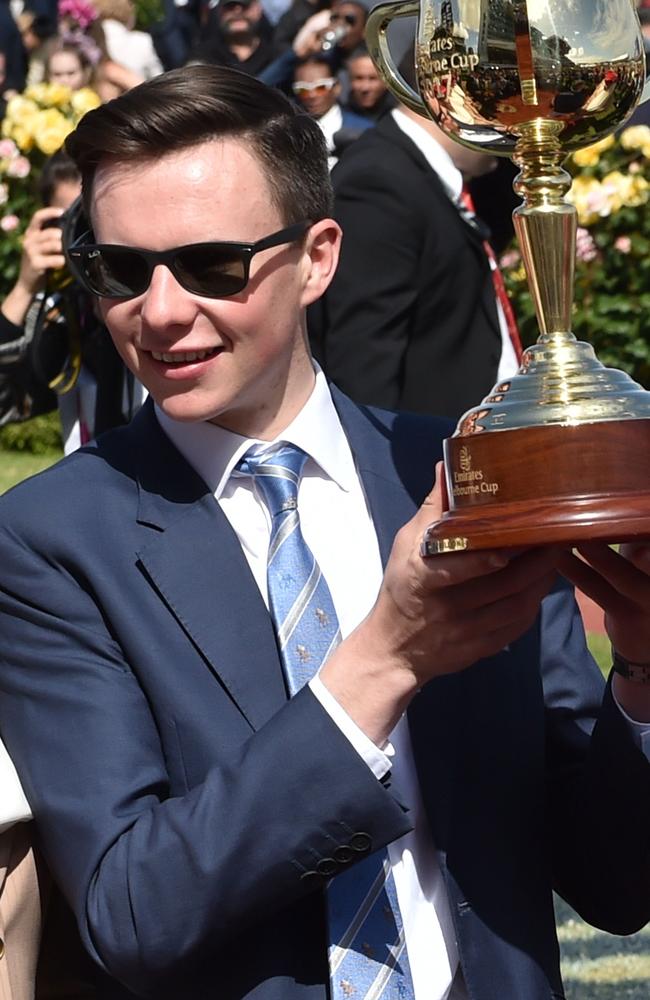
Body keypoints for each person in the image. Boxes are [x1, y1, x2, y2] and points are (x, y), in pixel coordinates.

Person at [0, 65, 649, 1000]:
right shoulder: (52, 539)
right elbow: (134, 911)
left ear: (318, 257)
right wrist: (383, 662)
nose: (163, 311)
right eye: (122, 271)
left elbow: (615, 884)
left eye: (214, 265)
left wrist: (643, 676)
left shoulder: (463, 479)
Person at [308, 55, 522, 422]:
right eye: (500, 102)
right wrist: (391, 476)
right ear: (446, 95)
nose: (510, 122)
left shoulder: (425, 174)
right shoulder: (377, 184)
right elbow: (366, 361)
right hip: (427, 460)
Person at [0, 151, 144, 451]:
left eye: (98, 218)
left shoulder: (166, 301)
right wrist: (25, 288)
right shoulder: (65, 314)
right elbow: (6, 404)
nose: (90, 239)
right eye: (76, 222)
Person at [292, 55, 370, 167]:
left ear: (337, 87)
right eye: (303, 89)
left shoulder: (364, 130)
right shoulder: (290, 132)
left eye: (321, 87)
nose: (312, 95)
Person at [189, 0, 275, 76]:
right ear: (220, 11)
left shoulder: (277, 56)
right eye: (230, 6)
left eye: (245, 5)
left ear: (258, 9)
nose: (237, 10)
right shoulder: (203, 57)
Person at [344, 44, 395, 122]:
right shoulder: (338, 118)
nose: (365, 87)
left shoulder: (400, 117)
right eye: (359, 78)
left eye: (372, 79)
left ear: (386, 81)